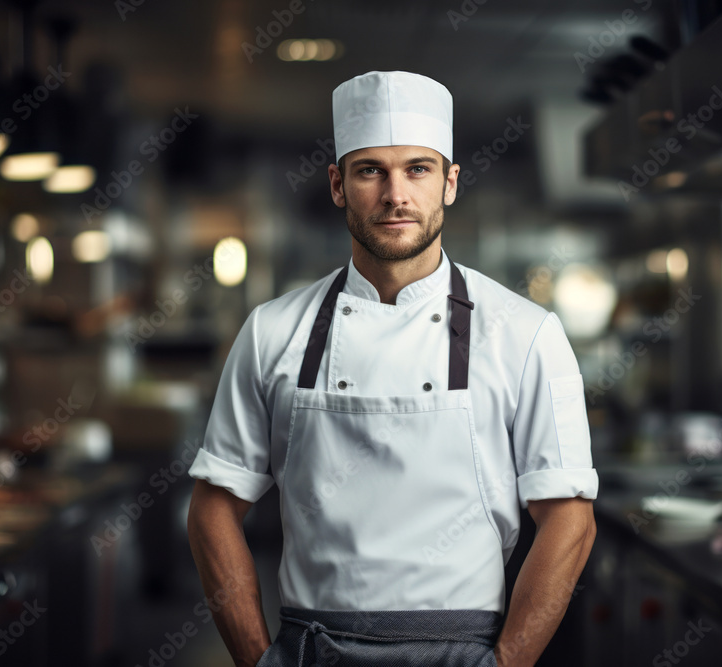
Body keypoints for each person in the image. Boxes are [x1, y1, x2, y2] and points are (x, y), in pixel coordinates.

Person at [186, 70, 598, 667]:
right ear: (337, 184)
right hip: (311, 647)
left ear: (450, 183)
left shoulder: (527, 334)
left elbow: (570, 521)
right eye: (370, 170)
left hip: (462, 649)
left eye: (418, 169)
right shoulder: (272, 331)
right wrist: (257, 659)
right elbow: (213, 507)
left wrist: (507, 663)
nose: (395, 195)